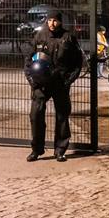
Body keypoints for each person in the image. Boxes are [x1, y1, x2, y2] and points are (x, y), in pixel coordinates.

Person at [24, 10, 83, 162]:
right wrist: (32, 81)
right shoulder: (40, 36)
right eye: (49, 20)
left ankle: (60, 150)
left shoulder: (68, 37)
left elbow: (77, 63)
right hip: (40, 84)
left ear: (60, 22)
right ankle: (36, 150)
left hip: (60, 83)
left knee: (62, 116)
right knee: (35, 115)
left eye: (55, 20)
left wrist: (68, 81)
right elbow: (28, 60)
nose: (52, 23)